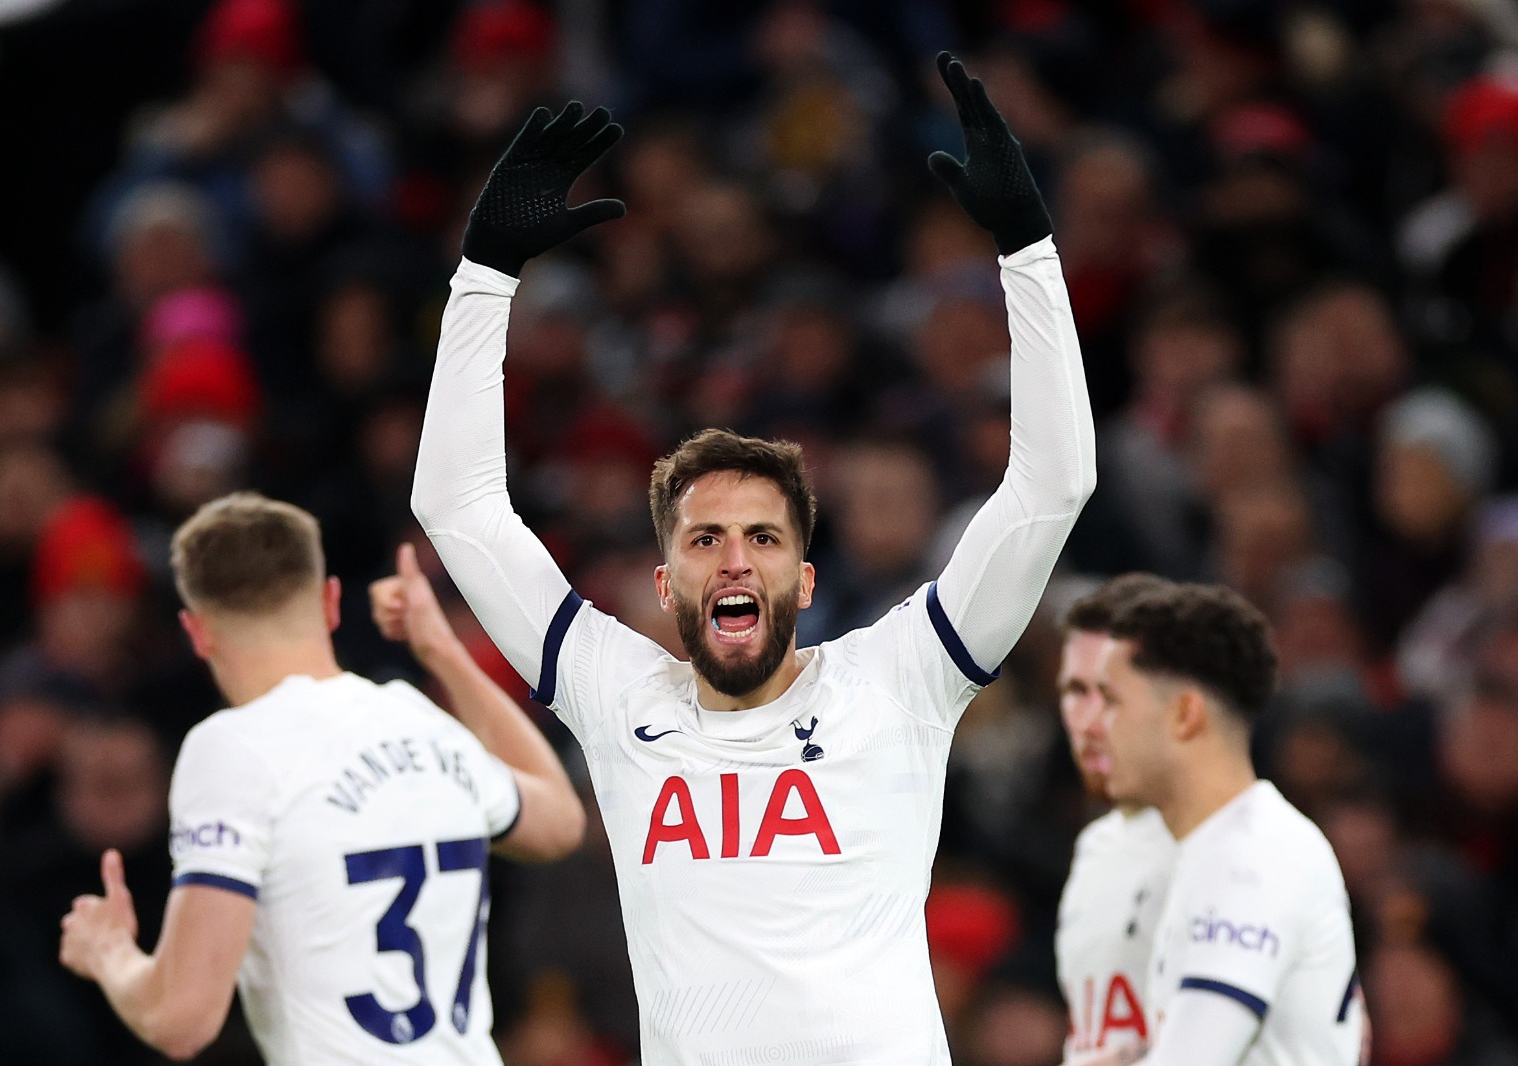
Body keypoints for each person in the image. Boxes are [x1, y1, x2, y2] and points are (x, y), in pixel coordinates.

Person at [412, 51, 1096, 1063]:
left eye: (762, 537)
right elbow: (455, 504)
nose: (733, 560)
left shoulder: (903, 676)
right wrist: (484, 279)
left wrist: (1028, 251)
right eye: (704, 539)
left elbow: (1052, 485)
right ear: (664, 583)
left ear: (804, 580)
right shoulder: (615, 691)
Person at [58, 494, 585, 1064]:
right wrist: (443, 651)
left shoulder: (232, 747)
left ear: (197, 632)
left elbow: (182, 1019)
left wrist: (110, 952)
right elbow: (559, 821)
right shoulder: (419, 721)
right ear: (331, 602)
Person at [1084, 583, 1363, 1065]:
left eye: (1112, 701)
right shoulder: (1221, 848)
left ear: (1185, 715)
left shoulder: (1250, 862)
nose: (1092, 726)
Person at [1054, 574, 1178, 1062]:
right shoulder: (1096, 848)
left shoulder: (1241, 841)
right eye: (1075, 691)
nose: (1087, 720)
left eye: (1109, 693)